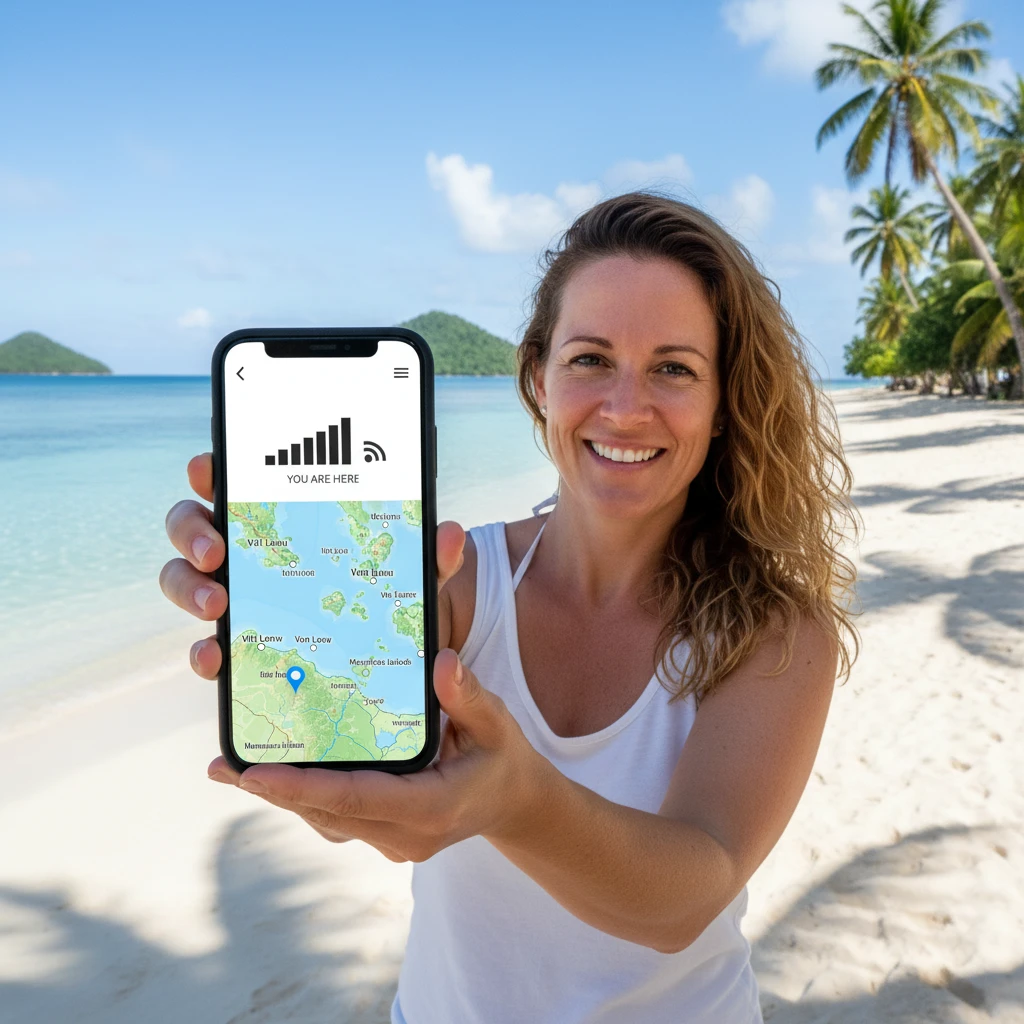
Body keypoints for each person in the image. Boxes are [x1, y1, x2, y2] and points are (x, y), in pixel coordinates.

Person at [160, 191, 858, 1023]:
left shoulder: (775, 631)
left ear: (721, 404)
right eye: (590, 359)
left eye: (673, 368)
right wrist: (274, 602)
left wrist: (516, 801)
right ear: (538, 376)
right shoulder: (454, 582)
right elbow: (354, 767)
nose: (625, 407)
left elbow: (686, 897)